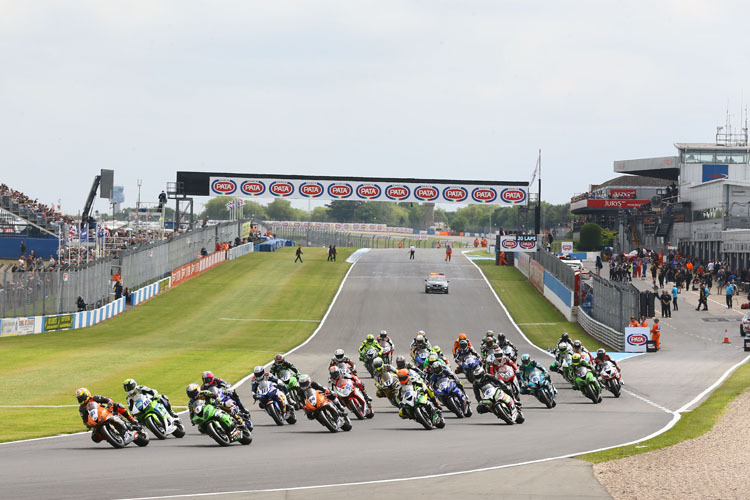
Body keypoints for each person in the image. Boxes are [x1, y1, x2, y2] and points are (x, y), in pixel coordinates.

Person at [75, 388, 140, 441]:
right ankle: (109, 436)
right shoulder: (81, 409)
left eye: (81, 397)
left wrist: (109, 404)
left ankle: (131, 419)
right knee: (95, 438)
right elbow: (85, 419)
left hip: (106, 413)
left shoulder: (95, 398)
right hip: (96, 421)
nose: (80, 400)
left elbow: (108, 399)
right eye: (79, 398)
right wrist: (88, 424)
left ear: (86, 395)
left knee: (118, 405)